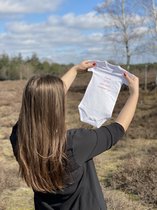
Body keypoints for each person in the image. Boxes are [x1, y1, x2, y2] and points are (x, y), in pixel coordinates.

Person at [10, 60, 139, 210]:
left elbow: (41, 103)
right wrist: (134, 94)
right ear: (57, 106)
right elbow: (116, 130)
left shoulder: (19, 137)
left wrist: (75, 70)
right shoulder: (75, 143)